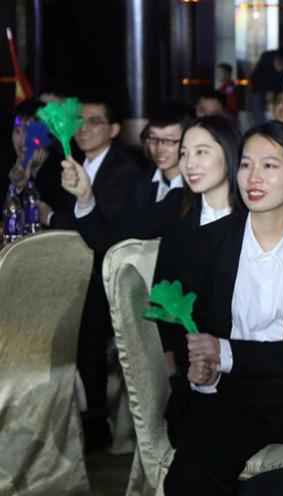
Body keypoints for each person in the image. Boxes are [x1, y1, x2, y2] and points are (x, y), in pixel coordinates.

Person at [163, 121, 283, 495]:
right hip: (228, 394)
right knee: (189, 479)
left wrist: (226, 351)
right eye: (246, 164)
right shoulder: (208, 242)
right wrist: (199, 369)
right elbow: (182, 326)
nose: (253, 177)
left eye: (269, 165)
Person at [52, 94, 141, 451]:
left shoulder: (124, 169)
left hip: (109, 275)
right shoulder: (72, 163)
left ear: (114, 129)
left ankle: (96, 426)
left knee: (87, 338)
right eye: (79, 121)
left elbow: (104, 232)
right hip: (76, 268)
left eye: (94, 121)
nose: (83, 129)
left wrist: (50, 216)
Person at [153, 117, 243, 435]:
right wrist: (176, 372)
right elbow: (163, 299)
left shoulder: (256, 220)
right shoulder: (178, 216)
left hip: (247, 366)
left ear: (230, 154)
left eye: (202, 152)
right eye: (185, 153)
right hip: (191, 371)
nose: (189, 163)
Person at [61, 106, 192, 253]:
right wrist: (85, 197)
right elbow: (109, 236)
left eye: (169, 141)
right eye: (153, 139)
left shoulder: (194, 190)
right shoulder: (141, 181)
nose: (159, 148)